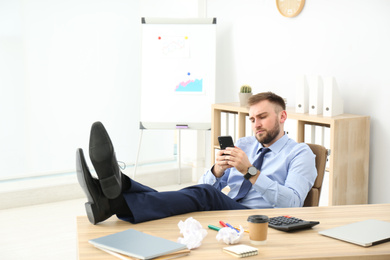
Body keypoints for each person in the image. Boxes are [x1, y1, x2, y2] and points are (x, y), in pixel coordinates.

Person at [77, 92, 317, 225]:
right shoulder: (244, 144)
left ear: (282, 116)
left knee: (205, 195)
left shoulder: (300, 153)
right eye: (252, 119)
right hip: (227, 209)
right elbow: (204, 185)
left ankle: (113, 195)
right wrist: (216, 172)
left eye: (262, 117)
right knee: (198, 192)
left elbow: (293, 203)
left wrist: (250, 172)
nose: (256, 125)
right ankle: (112, 194)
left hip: (259, 219)